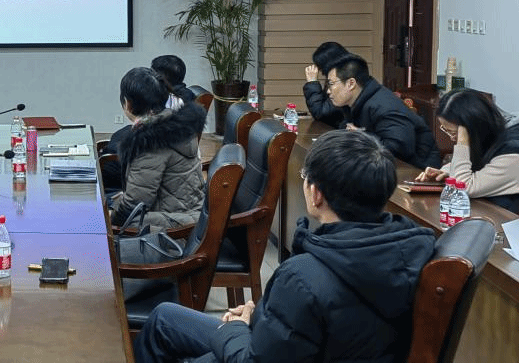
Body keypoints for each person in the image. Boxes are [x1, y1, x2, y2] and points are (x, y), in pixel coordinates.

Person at [133, 130, 436, 363]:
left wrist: (235, 327)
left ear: (316, 194)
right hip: (308, 347)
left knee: (172, 330)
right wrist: (261, 313)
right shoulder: (410, 246)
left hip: (260, 351)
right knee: (165, 317)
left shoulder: (303, 276)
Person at [416, 89, 519, 212]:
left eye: (454, 133)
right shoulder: (492, 135)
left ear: (473, 128)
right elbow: (476, 163)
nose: (452, 139)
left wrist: (462, 142)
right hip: (488, 212)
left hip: (510, 222)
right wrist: (445, 172)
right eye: (446, 130)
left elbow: (463, 188)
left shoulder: (515, 155)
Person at [108, 67, 206, 229]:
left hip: (177, 224)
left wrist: (111, 215)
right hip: (191, 211)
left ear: (127, 104)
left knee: (99, 219)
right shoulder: (175, 123)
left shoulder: (149, 142)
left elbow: (135, 204)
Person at [326, 53, 441, 169]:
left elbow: (399, 149)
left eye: (331, 84)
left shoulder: (384, 106)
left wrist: (361, 136)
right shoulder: (356, 101)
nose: (328, 91)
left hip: (417, 171)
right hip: (384, 165)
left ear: (351, 84)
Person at [103, 55, 196, 193]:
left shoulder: (143, 141)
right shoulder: (177, 124)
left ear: (127, 104)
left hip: (159, 205)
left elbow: (137, 199)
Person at [302, 41, 348, 127]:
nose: (321, 71)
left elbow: (320, 113)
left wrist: (312, 82)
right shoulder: (341, 75)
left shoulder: (343, 80)